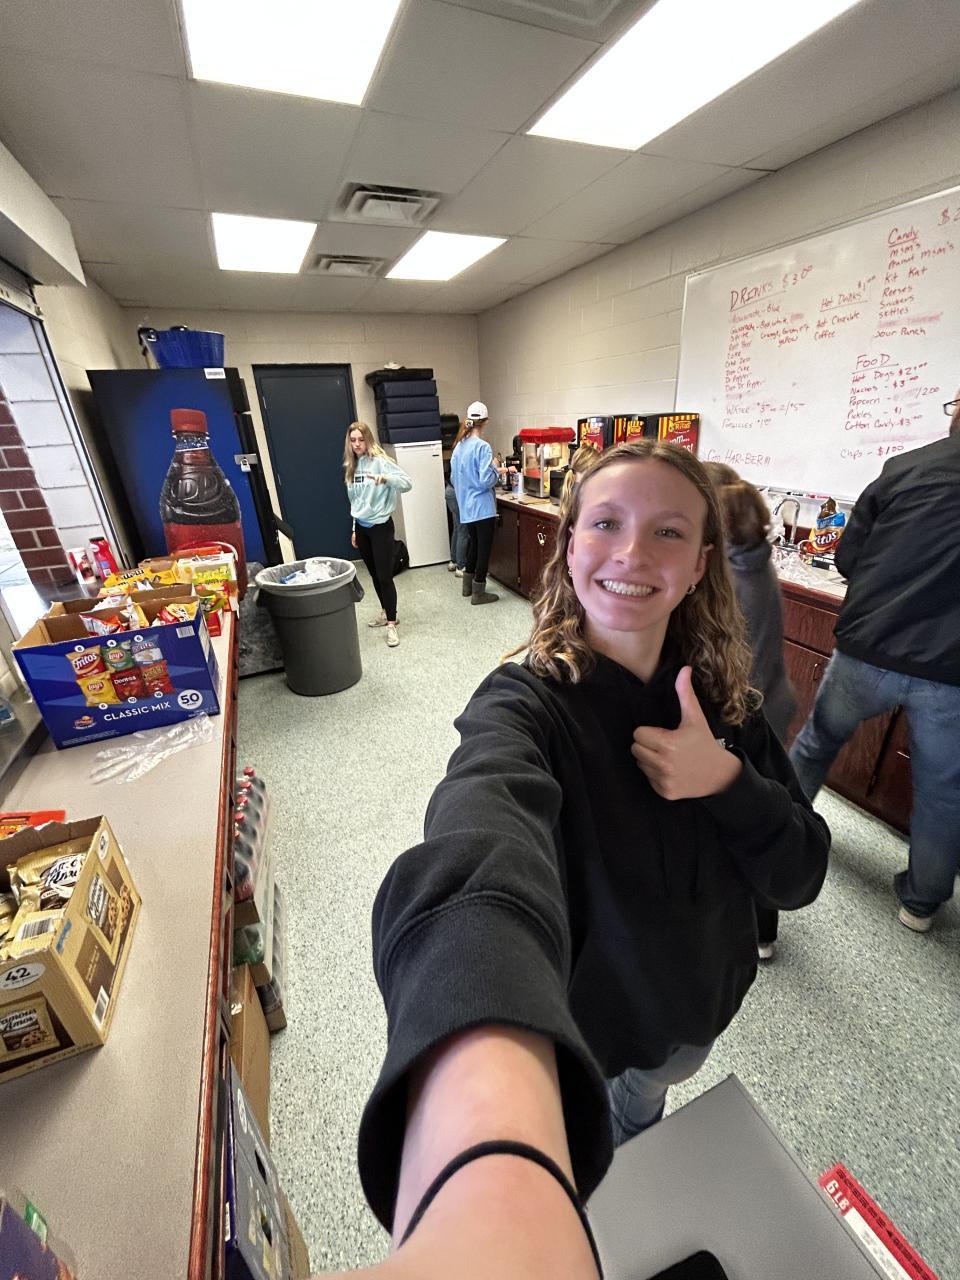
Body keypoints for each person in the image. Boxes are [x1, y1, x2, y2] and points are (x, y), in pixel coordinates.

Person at [357, 440, 829, 1256]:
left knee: (646, 1106)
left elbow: (802, 872)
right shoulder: (526, 708)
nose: (633, 553)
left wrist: (725, 780)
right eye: (606, 523)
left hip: (700, 1006)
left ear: (700, 566)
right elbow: (480, 843)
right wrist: (479, 1127)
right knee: (609, 1157)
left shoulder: (726, 705)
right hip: (593, 1031)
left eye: (668, 532)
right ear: (569, 545)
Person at [789, 395, 960, 933]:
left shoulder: (905, 469)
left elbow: (847, 557)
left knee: (816, 744)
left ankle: (781, 839)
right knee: (943, 790)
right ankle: (921, 904)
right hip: (950, 670)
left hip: (869, 645)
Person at [705, 462, 798, 960]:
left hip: (747, 710)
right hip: (771, 699)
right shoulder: (755, 562)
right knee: (761, 805)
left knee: (747, 816)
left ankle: (757, 924)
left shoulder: (727, 581)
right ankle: (763, 926)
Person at [344, 421, 412, 649]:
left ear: (368, 440)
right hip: (362, 528)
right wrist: (355, 527)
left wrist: (386, 479)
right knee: (373, 574)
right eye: (353, 440)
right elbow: (356, 501)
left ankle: (392, 624)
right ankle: (385, 612)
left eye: (361, 440)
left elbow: (407, 484)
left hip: (381, 527)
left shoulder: (381, 462)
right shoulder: (352, 466)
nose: (357, 444)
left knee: (384, 576)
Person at [449, 400, 512, 605]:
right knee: (484, 550)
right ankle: (479, 592)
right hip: (482, 507)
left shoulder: (459, 446)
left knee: (474, 546)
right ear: (485, 422)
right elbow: (486, 480)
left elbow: (454, 478)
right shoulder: (483, 447)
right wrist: (495, 469)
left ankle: (467, 587)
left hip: (467, 506)